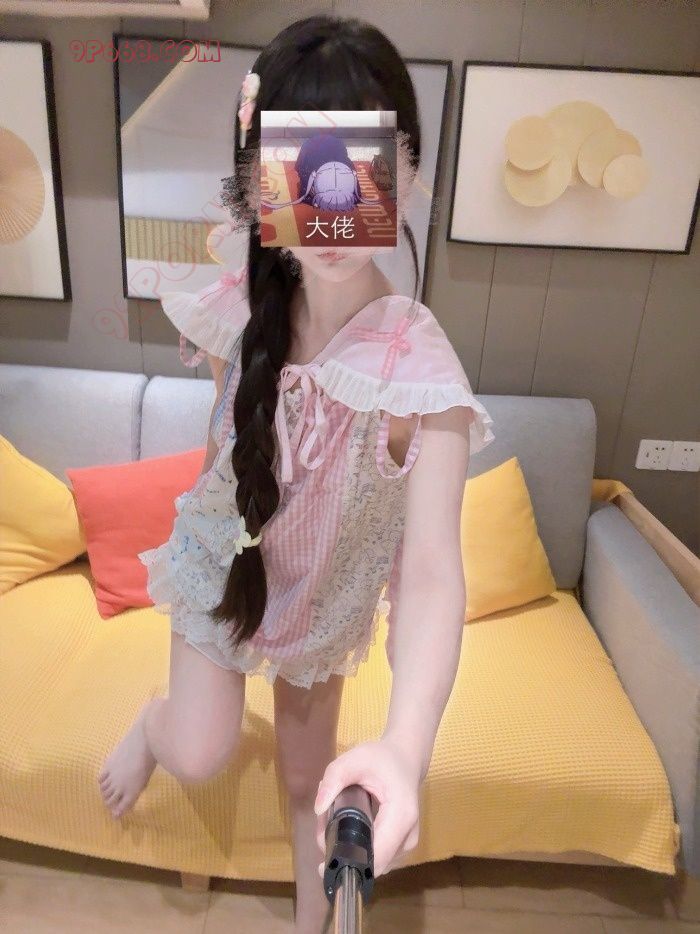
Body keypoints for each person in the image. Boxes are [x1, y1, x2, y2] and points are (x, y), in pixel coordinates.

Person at [98, 14, 495, 933]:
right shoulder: (238, 305)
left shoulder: (418, 370)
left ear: (404, 170)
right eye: (302, 164)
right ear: (259, 178)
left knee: (307, 781)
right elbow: (221, 448)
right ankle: (153, 726)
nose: (332, 202)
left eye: (362, 162)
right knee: (199, 751)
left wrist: (405, 747)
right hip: (225, 564)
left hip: (323, 601)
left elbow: (433, 574)